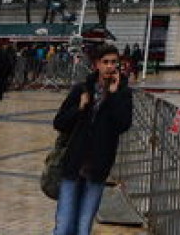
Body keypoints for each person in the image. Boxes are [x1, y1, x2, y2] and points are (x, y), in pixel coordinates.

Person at [51, 44, 133, 235]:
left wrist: (113, 96)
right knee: (63, 226)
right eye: (105, 62)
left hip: (98, 168)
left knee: (83, 227)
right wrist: (79, 108)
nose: (110, 66)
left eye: (114, 62)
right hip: (74, 165)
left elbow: (123, 125)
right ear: (97, 64)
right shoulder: (82, 89)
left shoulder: (123, 94)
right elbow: (59, 122)